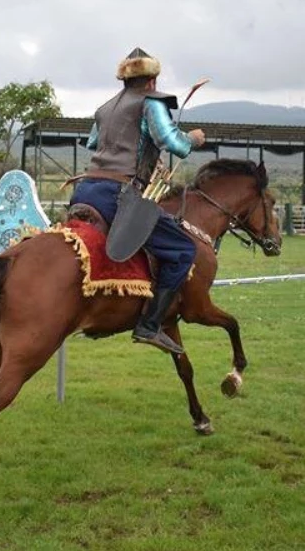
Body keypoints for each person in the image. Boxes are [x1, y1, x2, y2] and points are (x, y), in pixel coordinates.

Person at [69, 47, 205, 354]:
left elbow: (93, 142)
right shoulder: (152, 102)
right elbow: (174, 143)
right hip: (119, 195)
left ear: (124, 80)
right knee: (184, 249)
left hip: (86, 189)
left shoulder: (104, 108)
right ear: (153, 80)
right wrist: (194, 138)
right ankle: (149, 325)